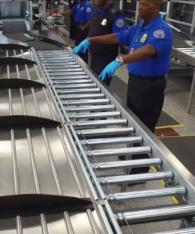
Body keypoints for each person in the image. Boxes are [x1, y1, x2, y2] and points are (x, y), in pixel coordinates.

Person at [73, 0, 172, 182]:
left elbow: (148, 50)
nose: (140, 7)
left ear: (157, 7)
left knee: (145, 127)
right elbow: (115, 37)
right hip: (135, 82)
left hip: (151, 86)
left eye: (146, 4)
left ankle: (140, 172)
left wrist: (120, 60)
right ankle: (132, 156)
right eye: (140, 3)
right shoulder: (138, 28)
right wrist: (89, 39)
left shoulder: (161, 30)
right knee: (134, 122)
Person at [84, 0, 126, 86]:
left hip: (105, 60)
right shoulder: (98, 11)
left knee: (100, 88)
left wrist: (93, 40)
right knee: (92, 85)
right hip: (94, 57)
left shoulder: (116, 15)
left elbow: (119, 39)